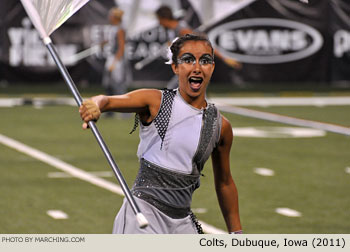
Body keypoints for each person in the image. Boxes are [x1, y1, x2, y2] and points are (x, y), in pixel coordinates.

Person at [79, 34, 242, 234]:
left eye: (205, 60)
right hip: (142, 214)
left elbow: (225, 182)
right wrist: (95, 105)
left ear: (213, 67)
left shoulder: (220, 125)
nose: (197, 67)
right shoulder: (156, 101)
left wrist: (237, 235)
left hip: (182, 222)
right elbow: (107, 100)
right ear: (175, 67)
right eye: (188, 60)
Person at [155, 5, 241, 89]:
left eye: (159, 19)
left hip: (195, 65)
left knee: (175, 88)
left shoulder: (182, 29)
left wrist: (224, 58)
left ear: (164, 18)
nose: (159, 22)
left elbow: (204, 44)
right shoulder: (174, 30)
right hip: (188, 65)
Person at [102, 7, 130, 117]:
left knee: (118, 85)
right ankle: (109, 111)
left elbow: (121, 48)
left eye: (111, 15)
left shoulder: (120, 29)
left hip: (117, 60)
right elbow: (112, 42)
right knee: (108, 84)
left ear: (115, 17)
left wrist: (115, 62)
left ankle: (125, 112)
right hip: (110, 58)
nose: (109, 17)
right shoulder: (112, 28)